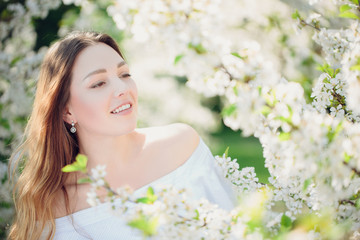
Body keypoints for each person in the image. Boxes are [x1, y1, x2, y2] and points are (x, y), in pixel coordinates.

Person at [8, 31, 237, 240]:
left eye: (124, 74)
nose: (122, 88)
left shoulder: (181, 148)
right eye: (98, 84)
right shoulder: (52, 210)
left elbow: (238, 230)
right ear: (67, 111)